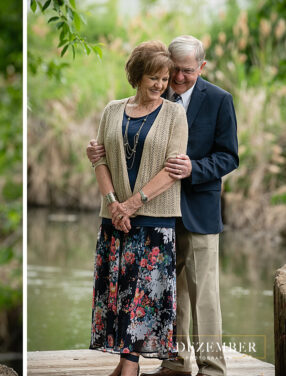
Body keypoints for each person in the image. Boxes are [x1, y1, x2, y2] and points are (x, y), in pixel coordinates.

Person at [88, 36, 238, 376]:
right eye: (174, 71)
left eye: (186, 71)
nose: (178, 78)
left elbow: (229, 156)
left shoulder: (218, 99)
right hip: (156, 214)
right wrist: (100, 159)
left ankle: (212, 367)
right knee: (170, 294)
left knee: (203, 296)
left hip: (197, 208)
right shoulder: (157, 91)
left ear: (202, 67)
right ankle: (176, 362)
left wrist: (194, 169)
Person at [90, 41, 188, 376]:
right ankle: (123, 367)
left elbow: (172, 171)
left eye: (165, 78)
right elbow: (99, 159)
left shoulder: (175, 114)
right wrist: (114, 205)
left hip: (154, 222)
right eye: (154, 78)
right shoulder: (112, 110)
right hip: (114, 219)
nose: (160, 85)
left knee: (141, 299)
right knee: (119, 296)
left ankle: (128, 369)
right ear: (136, 76)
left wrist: (132, 205)